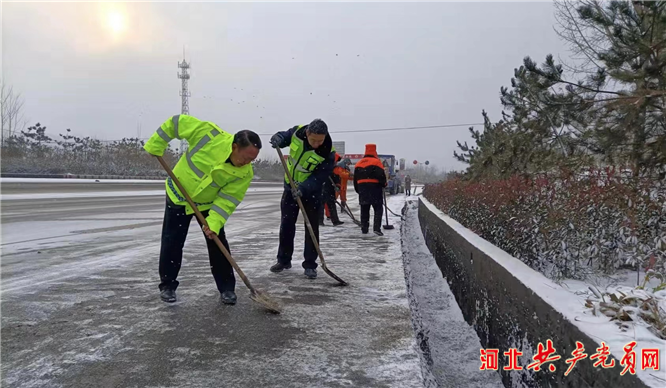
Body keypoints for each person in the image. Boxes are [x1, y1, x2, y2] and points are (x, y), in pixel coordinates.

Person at [143, 114, 261, 304]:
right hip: (179, 194)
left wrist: (213, 224)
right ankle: (167, 286)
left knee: (217, 242)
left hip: (207, 204)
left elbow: (228, 200)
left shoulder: (244, 173)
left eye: (252, 160)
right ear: (234, 146)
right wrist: (156, 145)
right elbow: (176, 123)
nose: (247, 163)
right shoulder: (208, 133)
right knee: (172, 241)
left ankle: (227, 289)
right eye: (245, 158)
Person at [269, 119, 335, 279]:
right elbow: (285, 136)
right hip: (289, 186)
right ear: (307, 134)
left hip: (311, 192)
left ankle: (310, 264)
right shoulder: (297, 132)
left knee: (311, 226)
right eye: (314, 140)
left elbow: (320, 177)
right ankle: (283, 260)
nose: (317, 144)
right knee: (286, 224)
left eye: (321, 140)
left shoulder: (328, 152)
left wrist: (303, 189)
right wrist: (279, 137)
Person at [353, 144, 387, 236]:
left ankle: (364, 228)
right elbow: (381, 176)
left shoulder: (358, 163)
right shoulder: (377, 162)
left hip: (362, 189)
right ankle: (376, 228)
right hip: (375, 188)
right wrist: (384, 184)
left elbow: (355, 179)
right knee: (378, 209)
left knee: (364, 209)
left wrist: (358, 190)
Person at [320, 153, 344, 226]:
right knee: (321, 206)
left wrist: (338, 186)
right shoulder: (324, 168)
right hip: (323, 188)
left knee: (331, 205)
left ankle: (335, 221)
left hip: (330, 189)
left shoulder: (334, 169)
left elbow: (337, 179)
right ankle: (319, 221)